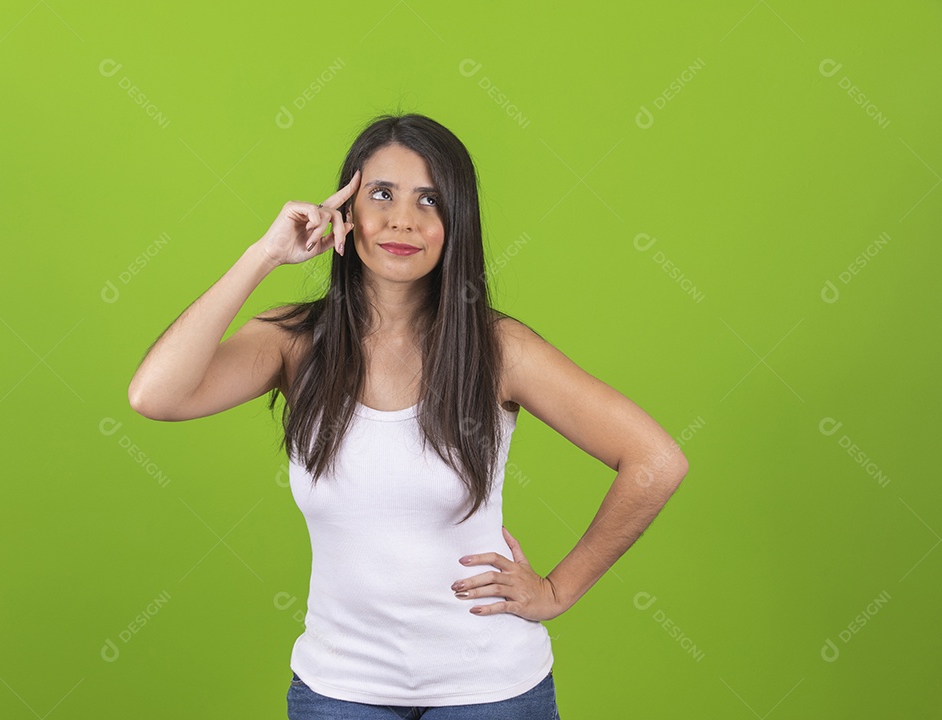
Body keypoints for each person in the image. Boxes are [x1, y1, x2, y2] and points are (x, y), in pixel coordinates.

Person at [127, 113, 689, 718]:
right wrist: (264, 255)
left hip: (490, 691)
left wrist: (557, 590)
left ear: (457, 222)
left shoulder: (499, 349)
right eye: (381, 194)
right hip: (339, 689)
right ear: (346, 209)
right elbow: (155, 396)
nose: (402, 220)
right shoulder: (294, 342)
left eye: (430, 200)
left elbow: (656, 460)